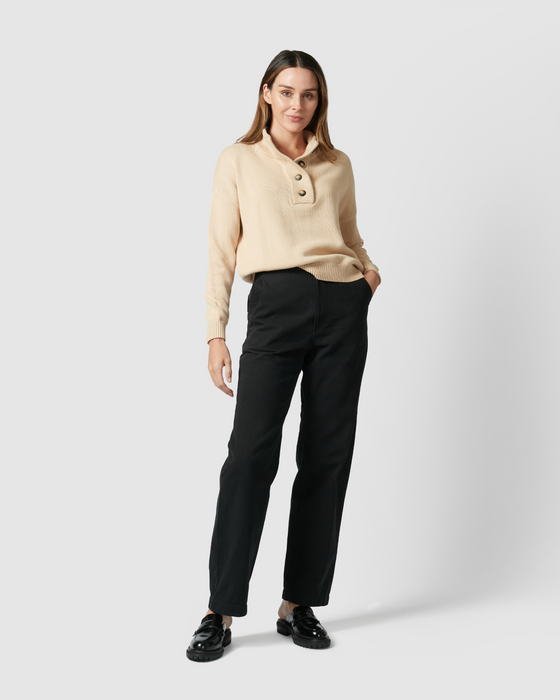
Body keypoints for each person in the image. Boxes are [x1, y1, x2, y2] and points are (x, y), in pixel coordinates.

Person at [187, 49, 381, 662]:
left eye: (310, 94)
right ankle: (219, 609)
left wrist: (367, 275)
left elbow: (349, 234)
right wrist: (216, 332)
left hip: (341, 309)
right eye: (288, 92)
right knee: (249, 456)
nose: (299, 104)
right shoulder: (239, 159)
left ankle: (298, 604)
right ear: (267, 93)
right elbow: (221, 249)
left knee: (327, 455)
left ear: (320, 100)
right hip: (276, 303)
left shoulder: (337, 164)